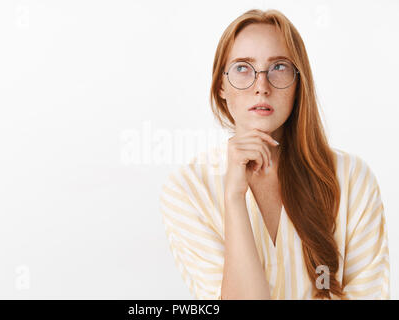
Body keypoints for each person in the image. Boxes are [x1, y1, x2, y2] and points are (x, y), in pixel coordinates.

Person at [159, 8, 390, 299]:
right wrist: (233, 199)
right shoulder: (188, 189)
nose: (261, 86)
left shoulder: (352, 178)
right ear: (220, 85)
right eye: (243, 68)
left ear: (298, 82)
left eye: (279, 67)